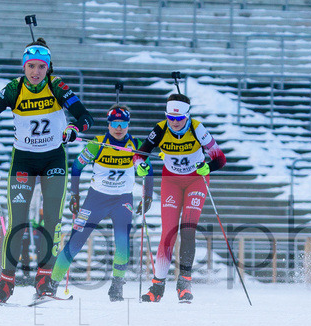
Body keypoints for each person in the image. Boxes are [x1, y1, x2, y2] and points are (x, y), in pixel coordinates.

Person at [0, 37, 93, 303]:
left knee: (52, 221)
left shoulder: (57, 86)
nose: (36, 72)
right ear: (24, 66)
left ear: (48, 67)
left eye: (41, 66)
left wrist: (75, 129)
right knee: (17, 223)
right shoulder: (13, 89)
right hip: (24, 161)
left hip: (53, 160)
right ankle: (6, 283)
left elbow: (86, 117)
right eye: (31, 66)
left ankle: (44, 280)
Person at [51, 105, 152, 301]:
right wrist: (74, 195)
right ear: (109, 124)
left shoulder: (137, 145)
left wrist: (147, 196)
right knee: (76, 241)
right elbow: (77, 167)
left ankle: (116, 287)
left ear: (128, 125)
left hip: (122, 200)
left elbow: (148, 170)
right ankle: (52, 283)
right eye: (115, 124)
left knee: (122, 243)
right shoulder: (97, 144)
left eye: (123, 124)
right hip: (96, 199)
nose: (119, 128)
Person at [135, 92, 226, 303]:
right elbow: (140, 154)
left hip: (196, 180)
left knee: (188, 228)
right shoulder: (160, 129)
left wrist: (207, 167)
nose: (174, 122)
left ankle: (184, 283)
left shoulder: (197, 128)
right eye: (171, 118)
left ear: (187, 116)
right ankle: (157, 287)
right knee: (168, 231)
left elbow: (220, 159)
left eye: (179, 118)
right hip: (171, 181)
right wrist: (139, 165)